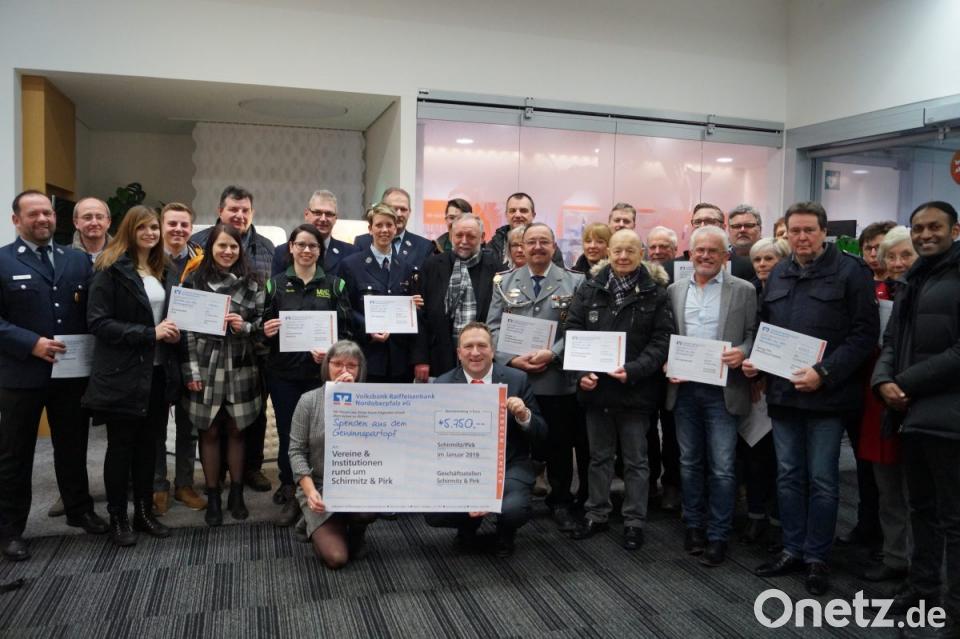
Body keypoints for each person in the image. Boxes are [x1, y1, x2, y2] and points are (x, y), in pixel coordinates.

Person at [747, 201, 879, 596]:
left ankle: (817, 556)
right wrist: (757, 361)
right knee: (788, 475)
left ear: (824, 233)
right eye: (795, 231)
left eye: (809, 230)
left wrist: (824, 373)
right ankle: (792, 548)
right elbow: (767, 327)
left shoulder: (852, 272)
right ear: (786, 233)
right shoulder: (780, 272)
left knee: (822, 478)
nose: (801, 237)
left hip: (828, 396)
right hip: (784, 395)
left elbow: (864, 335)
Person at [0, 190, 107, 561]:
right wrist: (31, 343)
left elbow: (93, 311)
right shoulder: (3, 260)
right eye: (33, 214)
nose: (42, 219)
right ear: (17, 220)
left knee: (73, 447)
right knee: (15, 455)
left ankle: (79, 510)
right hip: (21, 375)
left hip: (70, 375)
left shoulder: (75, 260)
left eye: (47, 212)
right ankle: (10, 529)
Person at [872, 201, 960, 634]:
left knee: (955, 519)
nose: (925, 235)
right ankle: (922, 589)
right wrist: (883, 381)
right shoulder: (912, 278)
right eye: (918, 228)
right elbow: (891, 341)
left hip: (949, 418)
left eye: (934, 227)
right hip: (911, 414)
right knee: (920, 508)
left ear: (954, 230)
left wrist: (904, 383)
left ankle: (955, 608)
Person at [567, 229, 673, 550]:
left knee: (636, 461)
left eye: (630, 250)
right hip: (597, 390)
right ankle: (596, 513)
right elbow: (573, 330)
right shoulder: (589, 288)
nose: (623, 256)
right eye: (617, 251)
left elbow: (661, 341)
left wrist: (634, 370)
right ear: (609, 253)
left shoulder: (656, 293)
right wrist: (581, 372)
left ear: (641, 253)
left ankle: (634, 521)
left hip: (635, 391)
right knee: (598, 457)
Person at [82, 206, 181, 546]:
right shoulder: (109, 267)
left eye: (154, 227)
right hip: (122, 374)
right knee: (120, 448)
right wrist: (150, 333)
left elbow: (171, 315)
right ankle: (118, 518)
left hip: (157, 373)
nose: (151, 233)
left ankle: (143, 512)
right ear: (129, 230)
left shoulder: (163, 268)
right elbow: (98, 323)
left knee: (148, 447)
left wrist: (174, 333)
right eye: (143, 228)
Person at [665, 226, 757, 567]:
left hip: (724, 390)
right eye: (699, 250)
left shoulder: (744, 290)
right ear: (690, 254)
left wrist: (743, 351)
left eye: (713, 251)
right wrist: (667, 362)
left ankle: (719, 533)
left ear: (725, 256)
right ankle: (694, 525)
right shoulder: (674, 290)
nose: (705, 256)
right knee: (689, 462)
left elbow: (753, 334)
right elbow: (667, 336)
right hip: (684, 388)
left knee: (723, 466)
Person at [487, 223, 587, 532]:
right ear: (521, 247)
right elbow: (492, 327)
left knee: (559, 444)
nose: (537, 247)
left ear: (554, 246)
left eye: (544, 241)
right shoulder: (504, 282)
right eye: (531, 242)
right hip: (517, 377)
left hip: (556, 378)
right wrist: (510, 359)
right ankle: (512, 498)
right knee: (514, 443)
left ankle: (560, 501)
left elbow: (580, 328)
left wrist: (553, 353)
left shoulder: (575, 281)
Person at [426, 322, 547, 558]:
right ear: (458, 352)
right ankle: (467, 526)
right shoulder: (442, 384)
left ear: (492, 351)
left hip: (508, 466)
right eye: (468, 346)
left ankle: (505, 532)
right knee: (434, 512)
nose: (475, 352)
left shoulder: (517, 380)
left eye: (482, 346)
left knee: (513, 510)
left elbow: (542, 434)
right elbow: (431, 439)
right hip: (460, 468)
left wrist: (524, 416)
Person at [263, 224, 353, 527]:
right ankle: (292, 491)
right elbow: (262, 328)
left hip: (321, 376)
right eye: (300, 244)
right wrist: (265, 330)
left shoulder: (335, 284)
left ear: (319, 250)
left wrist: (330, 352)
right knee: (290, 433)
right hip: (284, 374)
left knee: (323, 435)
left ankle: (326, 490)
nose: (306, 250)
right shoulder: (274, 284)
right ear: (291, 247)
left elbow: (347, 332)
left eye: (312, 246)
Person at [191, 186, 275, 494]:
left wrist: (249, 328)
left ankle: (251, 469)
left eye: (245, 210)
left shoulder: (267, 247)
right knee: (212, 424)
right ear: (220, 211)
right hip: (208, 356)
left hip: (251, 353)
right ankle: (216, 478)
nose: (239, 215)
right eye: (233, 209)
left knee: (251, 418)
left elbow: (268, 302)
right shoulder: (197, 243)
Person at [182, 224, 266, 525]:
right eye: (222, 246)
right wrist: (191, 371)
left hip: (241, 364)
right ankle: (214, 495)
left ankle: (237, 493)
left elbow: (263, 326)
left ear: (240, 250)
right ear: (211, 248)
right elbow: (186, 331)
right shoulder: (194, 281)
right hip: (205, 365)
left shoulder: (254, 283)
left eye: (233, 246)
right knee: (209, 431)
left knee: (237, 430)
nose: (228, 251)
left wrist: (244, 326)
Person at [857, 225, 916, 584]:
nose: (897, 262)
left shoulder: (934, 292)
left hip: (919, 400)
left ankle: (922, 567)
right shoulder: (875, 292)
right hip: (878, 396)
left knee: (920, 492)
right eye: (890, 256)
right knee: (887, 484)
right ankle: (896, 557)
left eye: (905, 255)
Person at [834, 221, 897, 551]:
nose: (875, 254)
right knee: (863, 461)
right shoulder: (855, 284)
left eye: (881, 247)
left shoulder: (903, 287)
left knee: (891, 468)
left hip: (891, 385)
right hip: (856, 383)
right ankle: (866, 524)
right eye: (869, 248)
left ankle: (893, 539)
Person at [288, 340, 377, 569]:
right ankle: (315, 522)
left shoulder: (371, 400)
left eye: (351, 365)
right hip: (319, 485)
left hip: (356, 482)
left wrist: (353, 403)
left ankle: (356, 531)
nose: (344, 370)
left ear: (360, 370)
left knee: (366, 512)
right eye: (337, 364)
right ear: (327, 365)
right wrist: (310, 492)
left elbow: (377, 447)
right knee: (336, 559)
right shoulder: (308, 401)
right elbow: (296, 452)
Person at [153, 202, 206, 514]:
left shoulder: (202, 262)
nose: (178, 229)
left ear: (191, 228)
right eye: (172, 224)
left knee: (189, 424)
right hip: (158, 352)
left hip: (193, 354)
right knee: (156, 424)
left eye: (184, 224)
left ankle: (185, 484)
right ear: (162, 226)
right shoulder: (147, 259)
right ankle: (158, 484)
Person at [739, 237, 789, 550]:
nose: (762, 265)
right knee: (754, 456)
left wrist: (767, 375)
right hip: (750, 385)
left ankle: (779, 521)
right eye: (757, 260)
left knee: (781, 461)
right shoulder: (749, 292)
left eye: (769, 259)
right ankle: (756, 515)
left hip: (783, 385)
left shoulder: (792, 292)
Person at [340, 204, 423, 383]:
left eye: (389, 225)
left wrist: (414, 308)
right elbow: (346, 308)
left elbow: (413, 315)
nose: (384, 230)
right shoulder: (351, 265)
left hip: (400, 359)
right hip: (367, 356)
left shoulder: (406, 268)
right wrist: (369, 327)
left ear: (395, 229)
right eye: (379, 225)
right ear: (370, 229)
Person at [413, 214, 499, 383]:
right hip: (439, 355)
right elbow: (420, 316)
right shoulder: (432, 265)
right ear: (451, 235)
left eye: (471, 236)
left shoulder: (496, 269)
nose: (464, 241)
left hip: (481, 358)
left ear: (482, 237)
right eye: (459, 235)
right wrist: (420, 358)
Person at [645, 224, 682, 509]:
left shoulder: (685, 279)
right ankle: (648, 484)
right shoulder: (640, 277)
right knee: (646, 431)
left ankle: (672, 484)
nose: (657, 252)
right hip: (646, 367)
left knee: (671, 430)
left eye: (664, 247)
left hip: (677, 368)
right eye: (653, 247)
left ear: (675, 250)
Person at [270, 190, 358, 277]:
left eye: (329, 214)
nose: (323, 219)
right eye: (318, 213)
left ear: (335, 218)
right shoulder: (282, 252)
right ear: (306, 214)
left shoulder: (351, 253)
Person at [353, 187, 436, 268]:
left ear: (409, 212)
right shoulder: (362, 243)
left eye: (403, 209)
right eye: (394, 209)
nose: (399, 214)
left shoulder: (424, 247)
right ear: (382, 209)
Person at [487, 193, 564, 268]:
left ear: (533, 215)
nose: (517, 215)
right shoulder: (493, 247)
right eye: (512, 211)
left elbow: (558, 275)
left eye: (523, 210)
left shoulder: (547, 245)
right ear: (506, 215)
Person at [71, 197, 112, 263]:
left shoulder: (123, 256)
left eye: (99, 217)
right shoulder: (64, 257)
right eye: (87, 218)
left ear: (108, 222)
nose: (94, 223)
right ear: (76, 223)